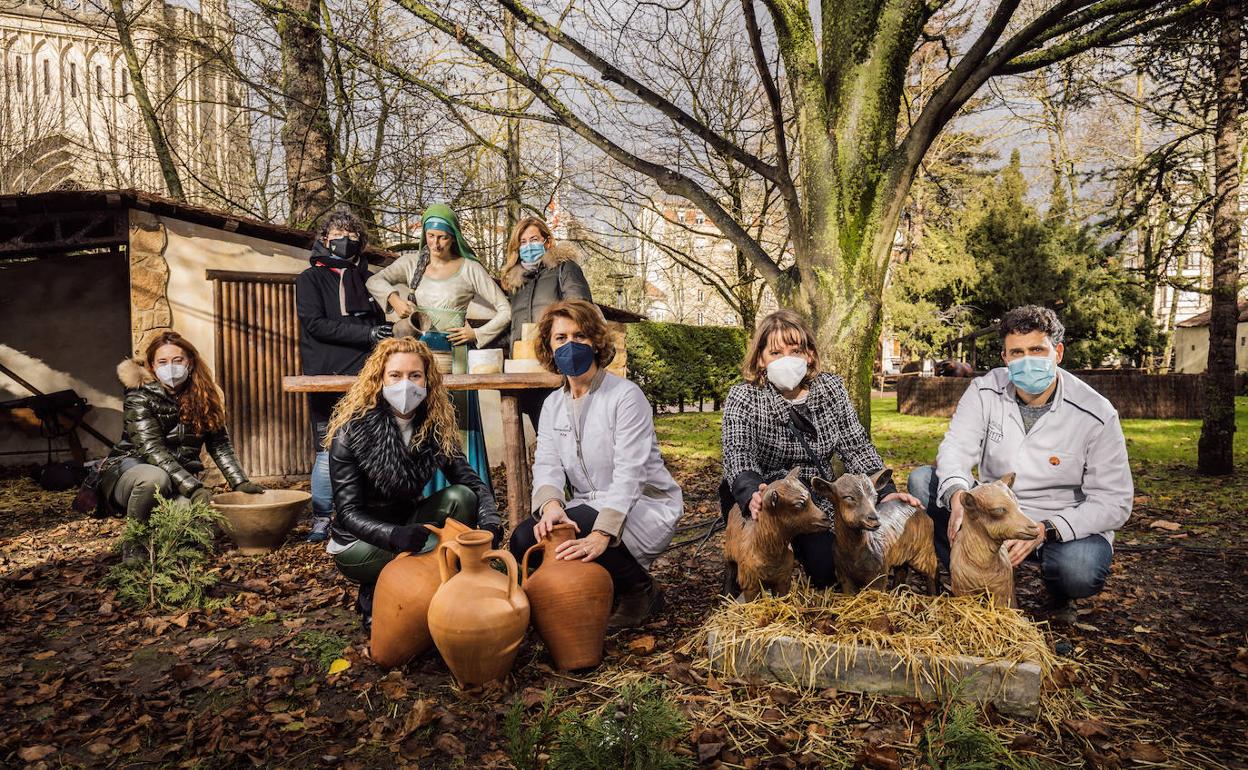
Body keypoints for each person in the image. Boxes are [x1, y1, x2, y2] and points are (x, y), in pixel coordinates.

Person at [907, 305, 1132, 623]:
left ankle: (1059, 593)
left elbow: (1114, 501)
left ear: (1058, 353)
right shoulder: (984, 390)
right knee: (922, 482)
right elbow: (956, 448)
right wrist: (957, 495)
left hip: (1058, 519)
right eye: (1017, 352)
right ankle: (970, 573)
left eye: (1037, 350)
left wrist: (1045, 529)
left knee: (1079, 569)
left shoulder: (1096, 413)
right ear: (1005, 358)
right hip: (993, 511)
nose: (1027, 360)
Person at [508, 300, 681, 628]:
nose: (570, 345)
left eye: (580, 336)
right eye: (561, 338)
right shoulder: (552, 405)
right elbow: (546, 464)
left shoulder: (625, 396)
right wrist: (551, 506)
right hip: (587, 504)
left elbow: (630, 473)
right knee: (523, 539)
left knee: (585, 525)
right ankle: (580, 590)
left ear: (596, 342)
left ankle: (640, 591)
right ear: (549, 346)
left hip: (642, 505)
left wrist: (603, 532)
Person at [720, 310, 920, 589]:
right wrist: (751, 491)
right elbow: (737, 452)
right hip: (768, 496)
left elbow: (857, 446)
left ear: (810, 355)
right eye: (775, 352)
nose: (786, 359)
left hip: (813, 496)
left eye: (795, 351)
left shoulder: (830, 389)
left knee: (829, 570)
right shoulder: (744, 396)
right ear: (760, 359)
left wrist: (884, 493)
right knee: (759, 567)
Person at [322, 336, 502, 630]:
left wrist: (490, 521)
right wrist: (394, 535)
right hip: (359, 543)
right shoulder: (350, 431)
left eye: (415, 375)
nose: (405, 384)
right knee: (440, 547)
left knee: (461, 496)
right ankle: (377, 587)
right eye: (395, 375)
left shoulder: (434, 425)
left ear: (427, 380)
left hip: (409, 524)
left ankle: (435, 586)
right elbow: (348, 513)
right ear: (380, 379)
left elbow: (471, 482)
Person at [366, 203, 511, 486]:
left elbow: (504, 310)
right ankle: (425, 494)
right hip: (419, 358)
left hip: (455, 356)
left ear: (454, 236)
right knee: (422, 421)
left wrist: (476, 334)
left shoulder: (470, 269)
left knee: (457, 424)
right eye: (430, 236)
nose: (436, 243)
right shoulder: (412, 264)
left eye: (442, 237)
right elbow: (375, 280)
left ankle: (466, 491)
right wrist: (394, 299)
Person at [296, 208, 391, 543]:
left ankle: (361, 514)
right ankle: (322, 517)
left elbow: (381, 321)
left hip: (367, 375)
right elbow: (315, 324)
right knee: (328, 447)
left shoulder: (369, 280)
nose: (345, 240)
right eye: (338, 234)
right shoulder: (310, 279)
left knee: (368, 444)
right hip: (326, 374)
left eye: (352, 236)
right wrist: (367, 335)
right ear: (325, 239)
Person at [98, 331, 263, 522]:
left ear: (190, 363)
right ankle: (137, 535)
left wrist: (240, 482)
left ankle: (160, 526)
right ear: (152, 366)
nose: (170, 367)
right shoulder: (139, 396)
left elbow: (219, 444)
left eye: (177, 360)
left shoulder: (205, 395)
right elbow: (152, 450)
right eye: (162, 362)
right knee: (155, 479)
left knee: (203, 522)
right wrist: (194, 488)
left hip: (177, 481)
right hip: (132, 472)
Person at [499, 215, 593, 432]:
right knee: (544, 434)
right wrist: (478, 339)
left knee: (570, 432)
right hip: (526, 370)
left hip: (559, 366)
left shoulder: (564, 269)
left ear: (547, 241)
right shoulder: (516, 284)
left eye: (534, 239)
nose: (528, 246)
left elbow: (580, 309)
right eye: (523, 242)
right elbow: (510, 329)